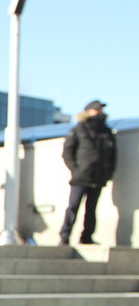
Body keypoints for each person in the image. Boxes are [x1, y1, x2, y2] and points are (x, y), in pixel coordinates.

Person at [58, 100, 117, 245]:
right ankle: (64, 237)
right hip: (80, 177)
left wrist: (108, 173)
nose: (99, 112)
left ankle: (87, 238)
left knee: (91, 210)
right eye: (96, 109)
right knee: (73, 207)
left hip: (99, 177)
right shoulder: (79, 129)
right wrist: (76, 170)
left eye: (100, 109)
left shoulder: (106, 131)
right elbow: (67, 152)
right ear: (88, 111)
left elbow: (113, 155)